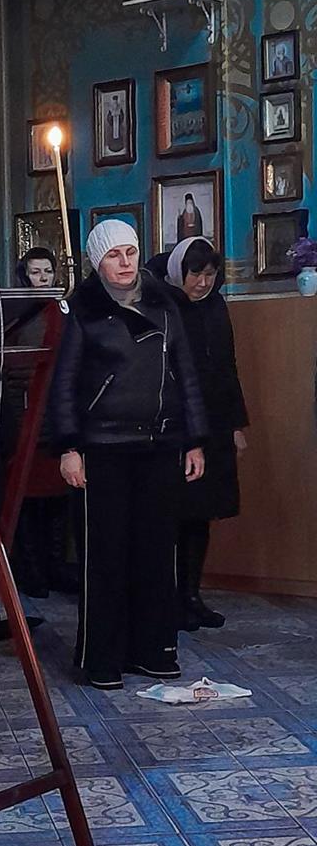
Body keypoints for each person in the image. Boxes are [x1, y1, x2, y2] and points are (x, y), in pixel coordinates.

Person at [51, 220, 207, 690]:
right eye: (113, 255)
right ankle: (102, 657)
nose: (124, 262)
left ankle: (153, 649)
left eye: (131, 252)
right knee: (105, 555)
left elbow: (186, 374)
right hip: (103, 447)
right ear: (97, 262)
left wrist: (195, 439)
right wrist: (69, 447)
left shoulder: (164, 303)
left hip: (159, 443)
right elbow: (64, 383)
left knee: (157, 552)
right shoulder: (82, 309)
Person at [147, 237, 249, 631]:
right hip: (175, 425)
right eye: (195, 274)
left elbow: (228, 366)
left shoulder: (216, 305)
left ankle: (191, 595)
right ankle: (167, 599)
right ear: (179, 272)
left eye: (209, 275)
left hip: (215, 422)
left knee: (202, 514)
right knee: (174, 514)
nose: (203, 283)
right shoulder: (163, 306)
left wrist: (236, 425)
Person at [7, 247, 77, 599]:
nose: (43, 278)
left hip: (59, 414)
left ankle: (55, 566)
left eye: (48, 271)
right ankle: (30, 570)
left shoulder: (64, 310)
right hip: (26, 413)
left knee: (58, 498)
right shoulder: (15, 313)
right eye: (36, 272)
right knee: (28, 497)